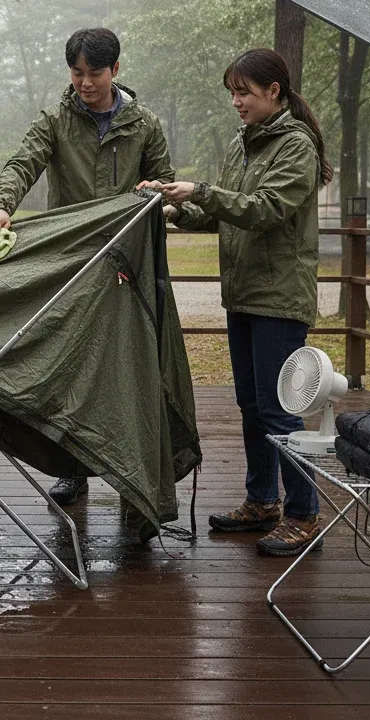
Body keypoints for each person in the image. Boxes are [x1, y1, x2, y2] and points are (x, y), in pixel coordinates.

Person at [140, 48, 332, 556]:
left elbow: (265, 210)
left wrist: (199, 190)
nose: (236, 101)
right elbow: (228, 213)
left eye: (244, 91)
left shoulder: (296, 147)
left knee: (279, 407)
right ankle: (261, 500)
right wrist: (173, 209)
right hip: (243, 294)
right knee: (251, 404)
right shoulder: (243, 145)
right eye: (232, 91)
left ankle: (303, 513)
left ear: (274, 92)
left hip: (278, 298)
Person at [0, 26, 175, 507]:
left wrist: (165, 205)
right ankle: (70, 469)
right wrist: (3, 206)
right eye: (77, 72)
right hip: (71, 265)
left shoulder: (144, 124)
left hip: (126, 266)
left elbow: (164, 182)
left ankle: (133, 478)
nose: (85, 82)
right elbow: (22, 163)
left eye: (95, 72)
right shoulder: (55, 121)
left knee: (128, 371)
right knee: (67, 368)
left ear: (116, 70)